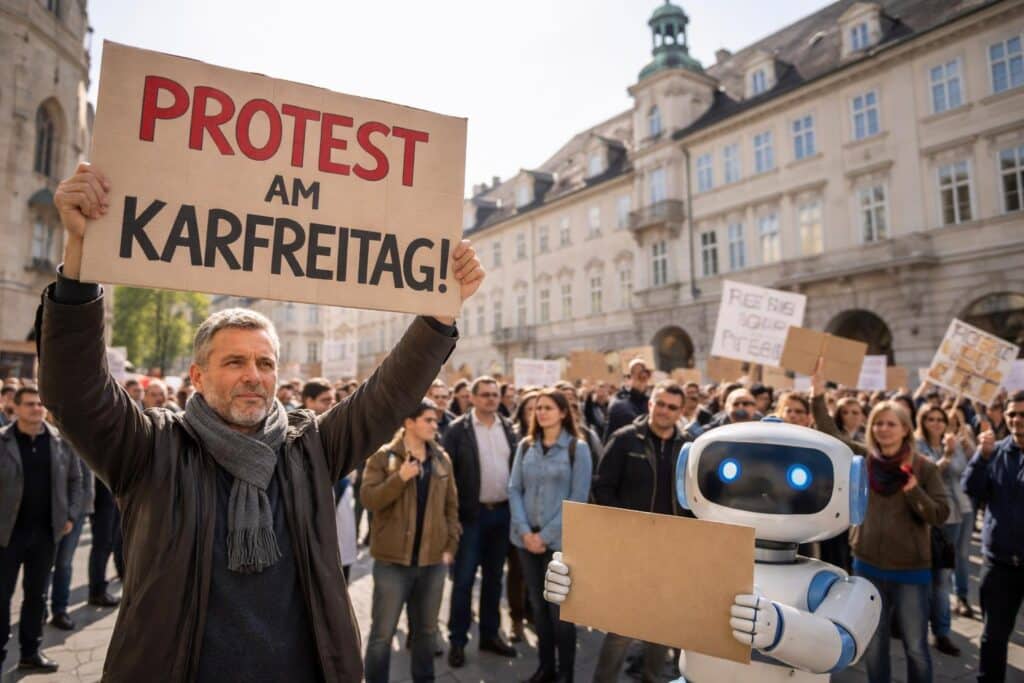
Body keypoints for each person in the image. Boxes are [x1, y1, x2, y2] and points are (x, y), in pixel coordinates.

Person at [38, 162, 482, 681]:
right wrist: (80, 260)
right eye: (235, 362)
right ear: (198, 377)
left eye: (264, 363)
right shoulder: (152, 447)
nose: (253, 376)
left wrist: (440, 312)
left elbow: (386, 397)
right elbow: (75, 392)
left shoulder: (308, 445)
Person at [591, 381, 693, 682]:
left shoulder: (688, 446)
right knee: (622, 624)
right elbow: (602, 487)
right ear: (650, 404)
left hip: (671, 548)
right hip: (632, 545)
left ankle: (652, 677)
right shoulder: (625, 439)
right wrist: (627, 524)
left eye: (672, 407)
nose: (664, 411)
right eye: (659, 403)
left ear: (680, 412)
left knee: (661, 625)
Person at [360, 399, 460, 683]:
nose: (435, 425)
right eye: (428, 420)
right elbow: (369, 499)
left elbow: (452, 507)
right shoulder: (383, 457)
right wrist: (400, 478)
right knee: (382, 635)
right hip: (392, 564)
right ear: (408, 422)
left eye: (435, 420)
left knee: (426, 634)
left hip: (432, 563)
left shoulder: (441, 458)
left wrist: (450, 547)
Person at [851, 401, 949, 683]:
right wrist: (817, 394)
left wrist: (914, 491)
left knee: (916, 647)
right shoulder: (864, 460)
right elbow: (830, 430)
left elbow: (941, 514)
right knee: (874, 642)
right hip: (867, 566)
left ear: (906, 429)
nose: (883, 429)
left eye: (891, 423)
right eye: (878, 423)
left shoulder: (924, 468)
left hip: (910, 571)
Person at [508, 388, 592, 683]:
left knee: (560, 612)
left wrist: (544, 535)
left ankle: (566, 673)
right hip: (525, 541)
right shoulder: (526, 446)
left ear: (563, 413)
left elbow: (578, 498)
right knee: (539, 607)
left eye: (548, 407)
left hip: (559, 544)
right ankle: (546, 668)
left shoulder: (577, 448)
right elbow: (514, 488)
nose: (541, 412)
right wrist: (524, 530)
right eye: (537, 408)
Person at [0, 386, 83, 672]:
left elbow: (76, 480)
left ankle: (30, 652)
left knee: (37, 596)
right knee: (2, 595)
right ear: (17, 408)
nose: (37, 408)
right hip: (7, 534)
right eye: (30, 404)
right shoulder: (4, 441)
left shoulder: (60, 442)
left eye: (40, 404)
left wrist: (70, 514)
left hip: (46, 533)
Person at [444, 376, 519, 667]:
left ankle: (490, 634)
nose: (491, 399)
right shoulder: (456, 431)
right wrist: (452, 519)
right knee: (463, 581)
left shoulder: (510, 428)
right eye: (485, 394)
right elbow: (446, 479)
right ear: (472, 398)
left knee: (493, 579)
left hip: (501, 515)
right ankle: (458, 641)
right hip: (470, 517)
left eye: (495, 394)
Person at [961, 391, 1024, 683]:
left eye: (1023, 415)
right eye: (1012, 414)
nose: (1016, 420)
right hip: (998, 562)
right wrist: (981, 459)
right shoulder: (994, 450)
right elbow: (972, 488)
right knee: (993, 636)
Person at [914, 405, 971, 657]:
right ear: (922, 421)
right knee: (924, 576)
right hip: (927, 516)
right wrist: (946, 457)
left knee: (943, 576)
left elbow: (964, 471)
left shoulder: (953, 442)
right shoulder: (916, 445)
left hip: (954, 515)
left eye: (940, 419)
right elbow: (924, 475)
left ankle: (942, 632)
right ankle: (916, 625)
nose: (936, 423)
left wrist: (959, 448)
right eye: (930, 419)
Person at [49, 452, 95, 631]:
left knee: (64, 563)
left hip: (75, 513)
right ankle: (39, 610)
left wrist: (72, 516)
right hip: (49, 512)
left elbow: (81, 481)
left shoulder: (79, 438)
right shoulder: (51, 437)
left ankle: (60, 610)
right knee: (42, 565)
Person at [604, 359, 650, 440]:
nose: (642, 378)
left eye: (645, 374)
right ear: (629, 378)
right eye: (638, 375)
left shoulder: (650, 402)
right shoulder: (619, 403)